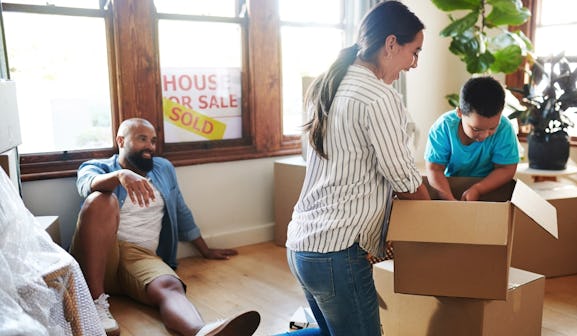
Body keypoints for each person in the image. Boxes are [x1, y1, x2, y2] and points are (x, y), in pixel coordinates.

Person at [281, 2, 430, 335]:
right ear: (391, 44)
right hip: (337, 254)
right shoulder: (379, 97)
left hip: (303, 246)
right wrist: (441, 228)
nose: (415, 64)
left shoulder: (325, 85)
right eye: (414, 52)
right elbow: (404, 179)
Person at [70, 118, 260, 336]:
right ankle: (96, 304)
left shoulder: (164, 168)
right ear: (121, 141)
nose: (150, 146)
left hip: (140, 256)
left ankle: (201, 332)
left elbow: (181, 210)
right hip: (100, 254)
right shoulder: (98, 167)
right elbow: (87, 185)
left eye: (153, 141)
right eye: (142, 139)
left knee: (170, 286)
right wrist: (121, 175)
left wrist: (204, 250)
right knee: (101, 200)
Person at [424, 76, 520, 201]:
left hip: (491, 187)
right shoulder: (443, 128)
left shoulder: (505, 128)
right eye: (476, 129)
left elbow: (506, 169)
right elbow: (434, 168)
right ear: (459, 113)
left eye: (492, 128)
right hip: (451, 186)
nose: (485, 135)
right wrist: (448, 199)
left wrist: (478, 189)